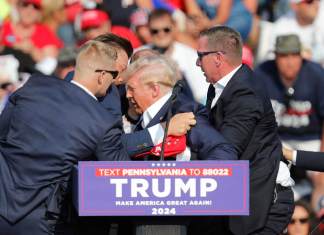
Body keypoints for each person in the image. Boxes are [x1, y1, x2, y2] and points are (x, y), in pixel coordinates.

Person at [0, 40, 130, 235]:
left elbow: (3, 134)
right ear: (102, 75)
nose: (115, 81)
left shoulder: (34, 86)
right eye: (114, 75)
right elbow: (120, 172)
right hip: (42, 222)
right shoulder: (102, 121)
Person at [195, 25, 294, 235]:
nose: (197, 63)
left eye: (200, 56)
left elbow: (226, 149)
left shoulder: (244, 92)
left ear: (218, 58)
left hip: (262, 206)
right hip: (238, 200)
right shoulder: (221, 86)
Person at [124, 54, 237, 161]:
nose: (127, 95)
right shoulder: (145, 116)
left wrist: (188, 177)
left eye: (131, 88)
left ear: (154, 89)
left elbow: (223, 152)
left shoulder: (185, 112)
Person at [255, 34, 324, 208]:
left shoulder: (316, 75)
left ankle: (316, 218)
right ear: (275, 56)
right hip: (278, 138)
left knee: (322, 179)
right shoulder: (262, 74)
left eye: (294, 55)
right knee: (264, 177)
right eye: (284, 56)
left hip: (311, 139)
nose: (289, 61)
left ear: (301, 56)